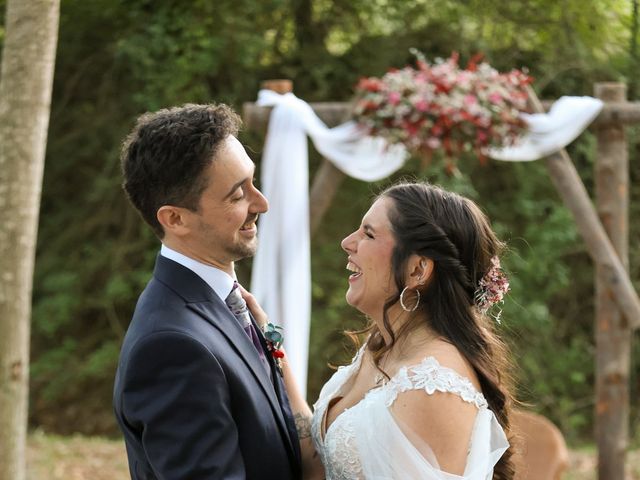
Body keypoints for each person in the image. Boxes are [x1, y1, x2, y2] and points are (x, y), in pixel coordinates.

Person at [244, 181, 514, 479]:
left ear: (417, 270)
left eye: (368, 234)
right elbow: (319, 463)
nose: (347, 242)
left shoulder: (434, 386)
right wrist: (271, 344)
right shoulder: (382, 346)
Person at [113, 103, 309, 479]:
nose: (262, 203)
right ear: (175, 218)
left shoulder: (233, 306)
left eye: (253, 181)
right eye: (237, 196)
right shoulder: (171, 347)